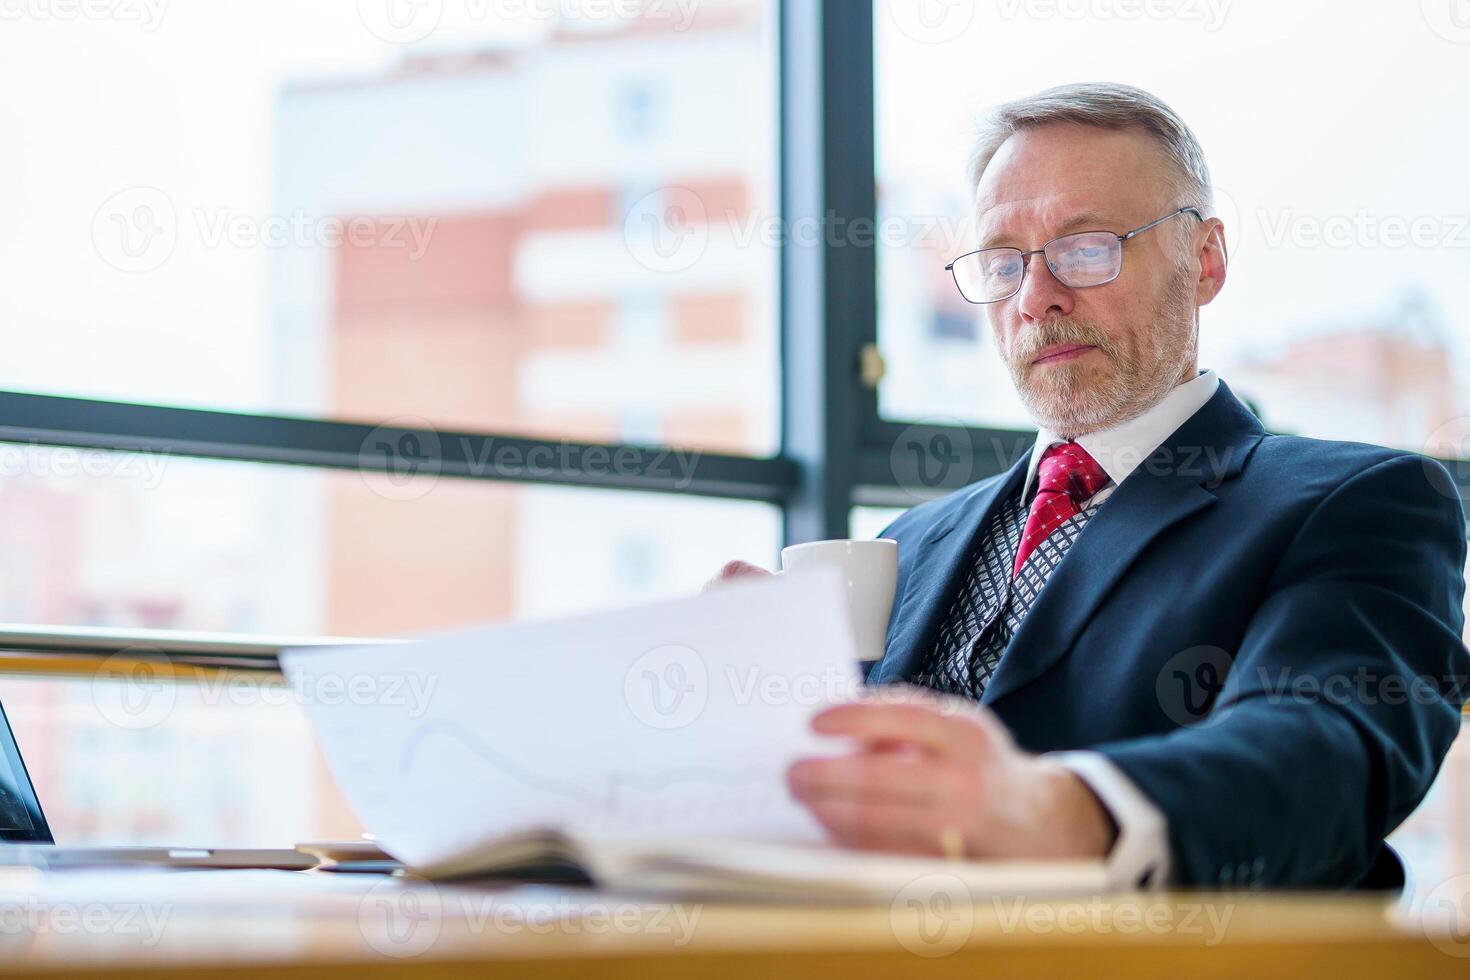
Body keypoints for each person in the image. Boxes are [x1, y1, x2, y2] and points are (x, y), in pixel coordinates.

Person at [711, 82, 1469, 890]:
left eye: (1087, 247)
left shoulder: (1361, 503)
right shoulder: (909, 546)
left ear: (1204, 260)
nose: (1036, 296)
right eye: (1004, 262)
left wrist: (1061, 811)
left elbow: (1326, 747)